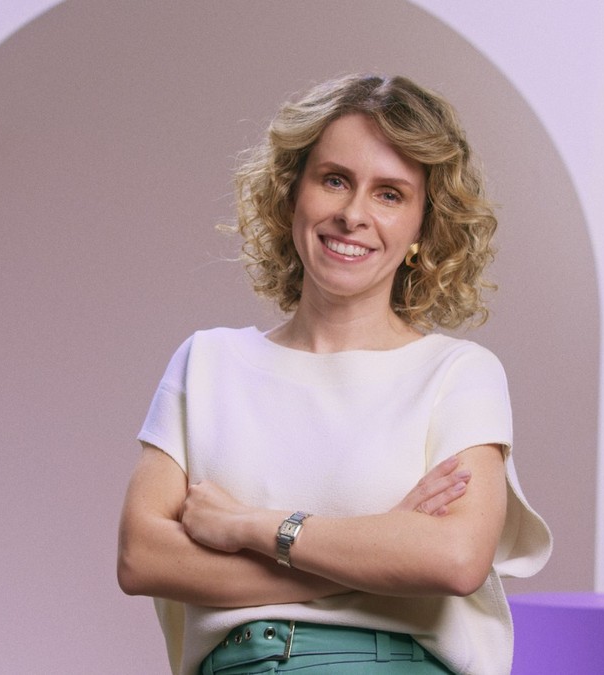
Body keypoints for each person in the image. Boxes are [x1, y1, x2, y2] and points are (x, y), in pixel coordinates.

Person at [117, 74, 551, 675]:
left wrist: (254, 526)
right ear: (291, 193)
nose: (353, 215)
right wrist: (379, 551)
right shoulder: (207, 362)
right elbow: (142, 558)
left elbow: (455, 560)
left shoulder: (458, 374)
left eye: (390, 194)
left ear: (424, 227)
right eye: (335, 180)